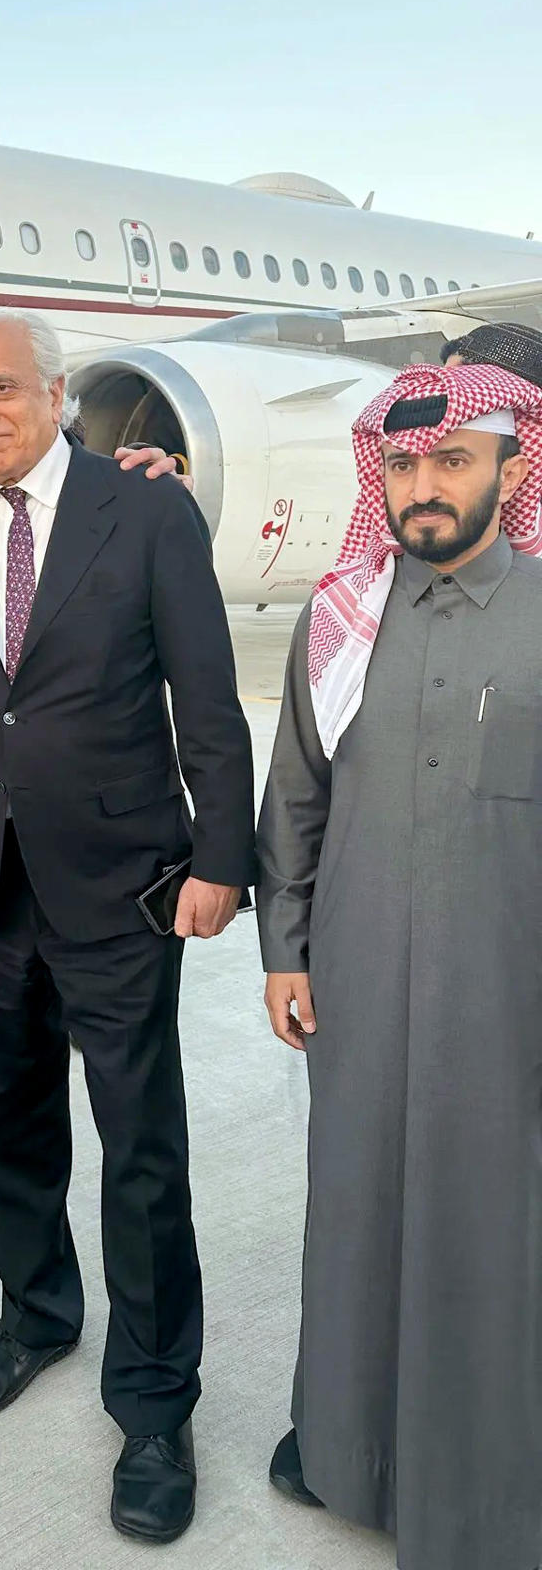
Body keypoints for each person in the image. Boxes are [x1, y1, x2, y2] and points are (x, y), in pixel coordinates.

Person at [0, 312, 254, 1546]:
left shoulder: (143, 510)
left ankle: (152, 1402)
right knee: (4, 1122)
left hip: (123, 882)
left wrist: (222, 857)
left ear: (55, 394)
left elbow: (206, 690)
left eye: (1, 390)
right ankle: (36, 1312)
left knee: (141, 1153)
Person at [256, 359, 542, 1570]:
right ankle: (351, 1454)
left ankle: (484, 1497)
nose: (425, 487)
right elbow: (297, 799)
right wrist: (286, 952)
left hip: (507, 998)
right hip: (362, 986)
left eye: (453, 461)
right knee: (358, 1212)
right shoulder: (340, 618)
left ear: (512, 467)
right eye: (404, 466)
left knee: (491, 1232)